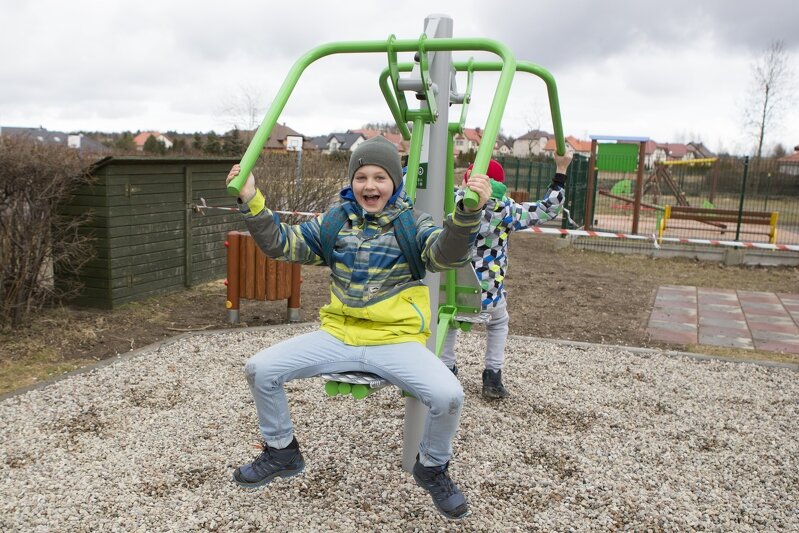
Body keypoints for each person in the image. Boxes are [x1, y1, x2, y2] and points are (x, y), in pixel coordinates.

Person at [225, 136, 491, 520]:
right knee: (260, 369)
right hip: (339, 335)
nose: (370, 186)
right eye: (361, 177)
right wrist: (252, 200)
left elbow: (445, 253)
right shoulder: (334, 223)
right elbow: (281, 244)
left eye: (380, 177)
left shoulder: (413, 225)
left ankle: (432, 466)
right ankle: (282, 449)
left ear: (394, 183)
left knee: (448, 394)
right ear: (351, 182)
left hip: (394, 339)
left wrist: (468, 214)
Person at [440, 153, 573, 399]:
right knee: (498, 322)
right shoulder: (506, 210)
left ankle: (447, 368)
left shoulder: (449, 202)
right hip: (487, 296)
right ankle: (492, 376)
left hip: (450, 289)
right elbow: (547, 209)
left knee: (446, 318)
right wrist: (561, 170)